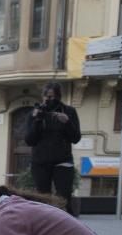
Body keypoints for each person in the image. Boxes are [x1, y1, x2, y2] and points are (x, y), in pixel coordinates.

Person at [26, 82, 81, 216]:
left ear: (58, 96)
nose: (48, 100)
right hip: (40, 161)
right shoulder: (35, 113)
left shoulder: (69, 111)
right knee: (43, 196)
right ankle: (45, 224)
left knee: (64, 197)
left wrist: (67, 122)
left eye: (51, 97)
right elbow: (29, 140)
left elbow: (76, 138)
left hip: (63, 160)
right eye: (46, 97)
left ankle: (67, 223)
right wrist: (37, 120)